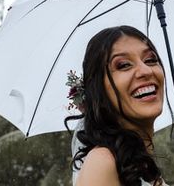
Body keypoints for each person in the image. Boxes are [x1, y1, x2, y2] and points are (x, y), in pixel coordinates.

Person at [66, 26, 168, 186]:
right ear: (98, 90)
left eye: (150, 60)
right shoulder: (103, 162)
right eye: (124, 65)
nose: (146, 70)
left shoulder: (144, 169)